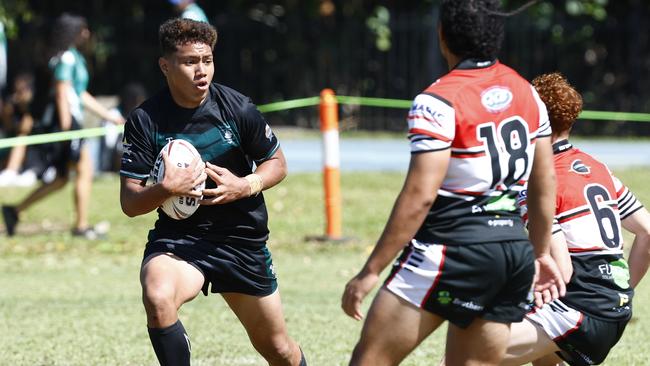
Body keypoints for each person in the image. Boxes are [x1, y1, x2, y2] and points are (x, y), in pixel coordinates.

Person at [341, 1, 565, 365]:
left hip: (452, 251)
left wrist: (370, 271)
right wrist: (540, 253)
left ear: (443, 36)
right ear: (496, 35)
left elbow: (420, 195)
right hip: (511, 255)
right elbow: (545, 181)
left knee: (369, 361)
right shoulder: (528, 94)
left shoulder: (437, 101)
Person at [119, 18, 306, 366]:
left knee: (278, 349)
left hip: (240, 239)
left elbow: (277, 163)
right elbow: (129, 201)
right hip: (180, 240)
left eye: (207, 60)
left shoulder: (236, 108)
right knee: (158, 297)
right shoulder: (146, 120)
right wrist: (165, 189)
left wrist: (245, 184)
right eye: (190, 62)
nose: (201, 70)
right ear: (165, 66)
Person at [497, 73, 650, 366]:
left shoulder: (541, 181)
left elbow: (562, 269)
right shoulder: (599, 169)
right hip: (612, 310)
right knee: (543, 357)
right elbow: (647, 232)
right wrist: (624, 292)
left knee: (466, 355)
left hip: (579, 311)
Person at [1, 13, 124, 238]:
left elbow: (79, 94)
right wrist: (68, 129)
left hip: (67, 122)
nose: (87, 34)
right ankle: (81, 225)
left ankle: (14, 210)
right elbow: (61, 93)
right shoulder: (66, 58)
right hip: (66, 123)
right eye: (83, 29)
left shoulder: (71, 56)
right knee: (84, 170)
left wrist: (108, 115)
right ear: (74, 32)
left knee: (61, 179)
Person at [98, 82, 147, 172]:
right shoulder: (114, 115)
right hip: (113, 156)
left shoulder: (140, 115)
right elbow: (109, 144)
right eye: (136, 101)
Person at [0, 72, 37, 187]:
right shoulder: (13, 106)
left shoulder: (35, 108)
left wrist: (25, 107)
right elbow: (8, 127)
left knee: (21, 137)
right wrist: (7, 112)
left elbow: (25, 128)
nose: (17, 94)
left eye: (20, 91)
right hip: (9, 146)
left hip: (33, 152)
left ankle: (11, 171)